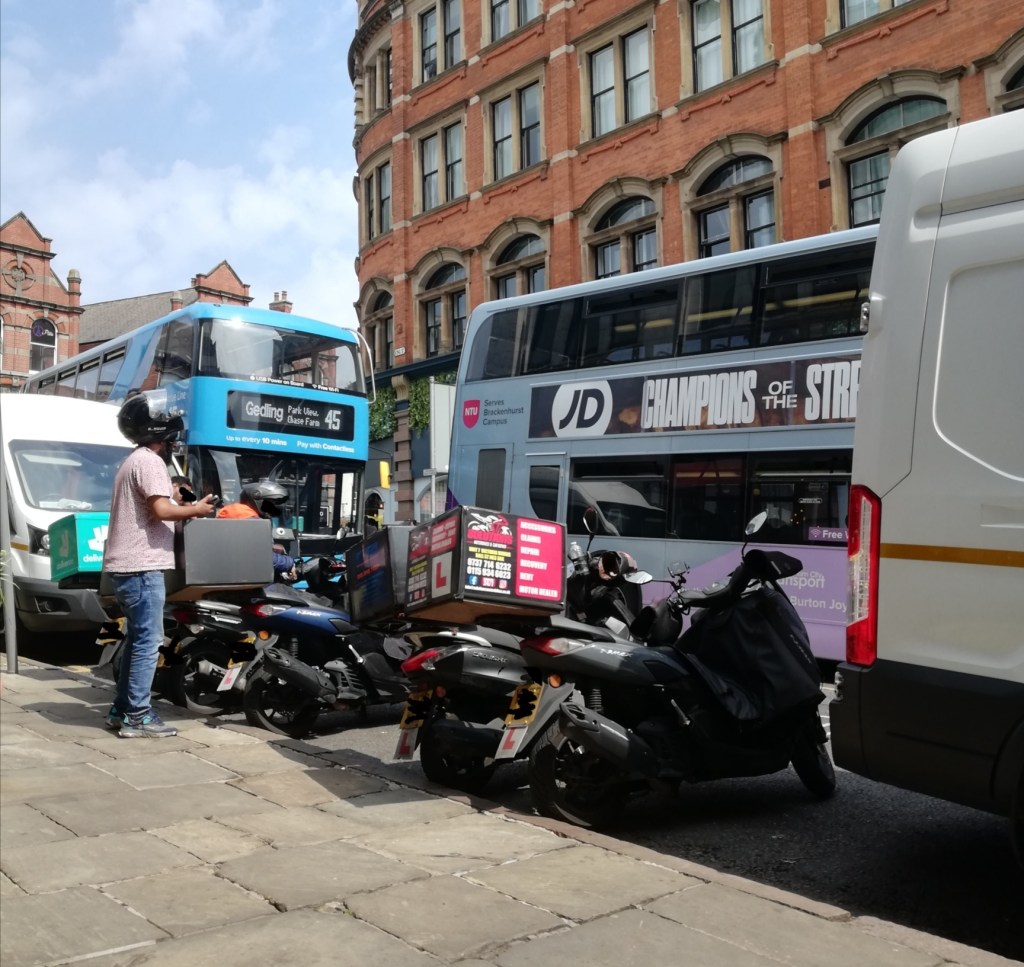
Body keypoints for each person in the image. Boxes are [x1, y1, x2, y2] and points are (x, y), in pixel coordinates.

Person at [104, 391, 217, 737]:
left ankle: (122, 710)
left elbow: (157, 505)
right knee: (148, 642)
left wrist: (176, 499)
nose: (174, 440)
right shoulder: (150, 462)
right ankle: (137, 716)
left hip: (128, 568)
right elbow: (161, 510)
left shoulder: (133, 461)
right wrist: (196, 509)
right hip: (141, 568)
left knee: (138, 640)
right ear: (159, 432)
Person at [216, 480, 297, 580]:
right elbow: (263, 557)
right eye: (270, 504)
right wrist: (289, 563)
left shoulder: (234, 515)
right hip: (247, 580)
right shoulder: (252, 522)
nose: (273, 509)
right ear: (256, 501)